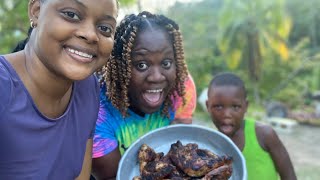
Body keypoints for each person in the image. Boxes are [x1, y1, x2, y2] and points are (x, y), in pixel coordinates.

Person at [0, 0, 118, 179]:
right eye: (71, 14)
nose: (91, 35)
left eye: (105, 28)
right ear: (36, 11)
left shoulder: (87, 87)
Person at [91, 11, 197, 179]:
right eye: (141, 65)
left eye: (166, 63)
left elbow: (182, 153)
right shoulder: (98, 112)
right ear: (120, 67)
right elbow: (114, 176)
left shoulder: (181, 88)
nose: (157, 76)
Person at [206, 72, 297, 180]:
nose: (227, 115)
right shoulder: (209, 144)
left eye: (235, 107)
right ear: (208, 106)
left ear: (246, 106)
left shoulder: (264, 135)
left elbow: (289, 176)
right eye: (218, 106)